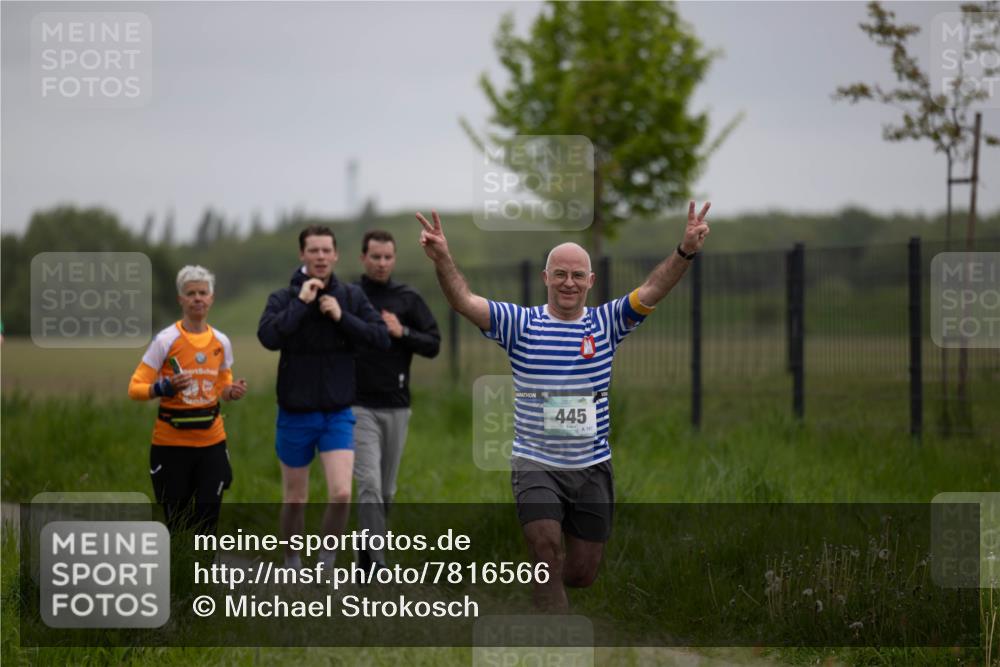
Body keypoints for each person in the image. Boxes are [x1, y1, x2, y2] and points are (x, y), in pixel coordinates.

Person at [416, 202, 711, 611]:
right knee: (544, 549)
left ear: (590, 281)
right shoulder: (520, 323)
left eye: (576, 275)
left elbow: (654, 288)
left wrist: (685, 250)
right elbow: (464, 300)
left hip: (591, 465)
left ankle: (545, 595)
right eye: (560, 274)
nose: (568, 283)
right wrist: (443, 258)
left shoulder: (607, 323)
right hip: (536, 461)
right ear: (546, 278)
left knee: (580, 574)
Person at [258, 225, 390, 571]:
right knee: (296, 499)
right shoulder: (283, 298)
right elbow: (268, 337)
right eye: (313, 251)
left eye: (325, 251)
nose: (320, 257)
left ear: (335, 255)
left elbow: (380, 338)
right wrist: (302, 304)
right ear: (302, 255)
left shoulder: (350, 297)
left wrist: (341, 317)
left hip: (337, 413)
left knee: (341, 493)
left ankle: (326, 564)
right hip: (295, 413)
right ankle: (291, 562)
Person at [128, 265, 247, 536]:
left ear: (212, 298)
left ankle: (202, 577)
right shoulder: (166, 340)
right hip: (171, 445)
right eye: (190, 293)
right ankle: (179, 577)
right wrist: (163, 387)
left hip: (212, 444)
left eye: (202, 293)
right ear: (180, 299)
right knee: (178, 525)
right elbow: (135, 388)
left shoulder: (221, 341)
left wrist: (232, 391)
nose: (197, 298)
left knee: (207, 523)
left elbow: (222, 386)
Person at [353, 230, 441, 571]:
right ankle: (378, 567)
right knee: (369, 485)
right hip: (357, 405)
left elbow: (434, 344)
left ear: (394, 259)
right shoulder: (351, 296)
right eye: (375, 256)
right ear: (363, 258)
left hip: (397, 405)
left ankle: (364, 560)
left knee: (386, 490)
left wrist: (401, 332)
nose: (381, 263)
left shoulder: (407, 299)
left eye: (387, 257)